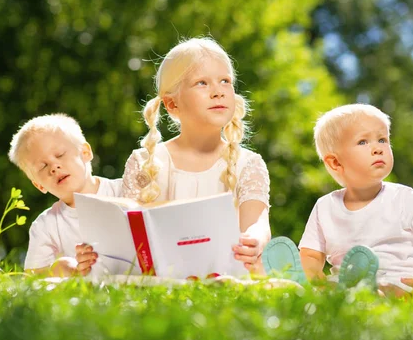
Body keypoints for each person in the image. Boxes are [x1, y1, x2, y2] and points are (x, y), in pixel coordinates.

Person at [76, 37, 271, 276]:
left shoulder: (248, 164)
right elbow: (129, 236)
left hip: (228, 281)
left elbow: (258, 220)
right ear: (172, 104)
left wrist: (255, 239)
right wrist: (95, 254)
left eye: (225, 81)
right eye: (202, 83)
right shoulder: (145, 162)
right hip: (163, 284)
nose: (218, 91)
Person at [263, 103, 413, 297]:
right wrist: (315, 277)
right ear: (336, 162)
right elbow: (311, 255)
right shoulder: (325, 207)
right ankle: (304, 284)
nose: (377, 148)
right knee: (333, 287)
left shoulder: (403, 198)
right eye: (363, 142)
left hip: (402, 283)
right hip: (345, 283)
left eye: (382, 140)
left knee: (390, 291)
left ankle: (362, 293)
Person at [8, 113, 122, 277]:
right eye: (42, 166)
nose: (53, 167)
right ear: (39, 185)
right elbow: (33, 278)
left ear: (85, 152)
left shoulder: (125, 192)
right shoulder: (45, 226)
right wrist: (60, 270)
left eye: (60, 155)